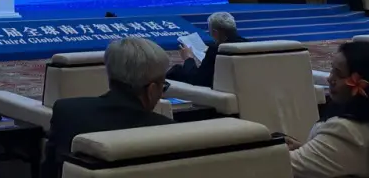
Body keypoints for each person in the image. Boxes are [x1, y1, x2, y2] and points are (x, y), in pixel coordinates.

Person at [44, 37, 172, 176]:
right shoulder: (168, 131)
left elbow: (49, 170)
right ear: (152, 90)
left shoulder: (67, 112)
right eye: (163, 86)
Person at [288, 40, 369, 178]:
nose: (330, 79)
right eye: (332, 70)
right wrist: (308, 148)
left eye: (339, 74)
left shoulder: (346, 131)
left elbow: (288, 165)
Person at [166, 11, 245, 88]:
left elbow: (197, 80)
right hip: (243, 87)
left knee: (177, 70)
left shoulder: (215, 50)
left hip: (216, 90)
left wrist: (188, 58)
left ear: (215, 32)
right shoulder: (246, 45)